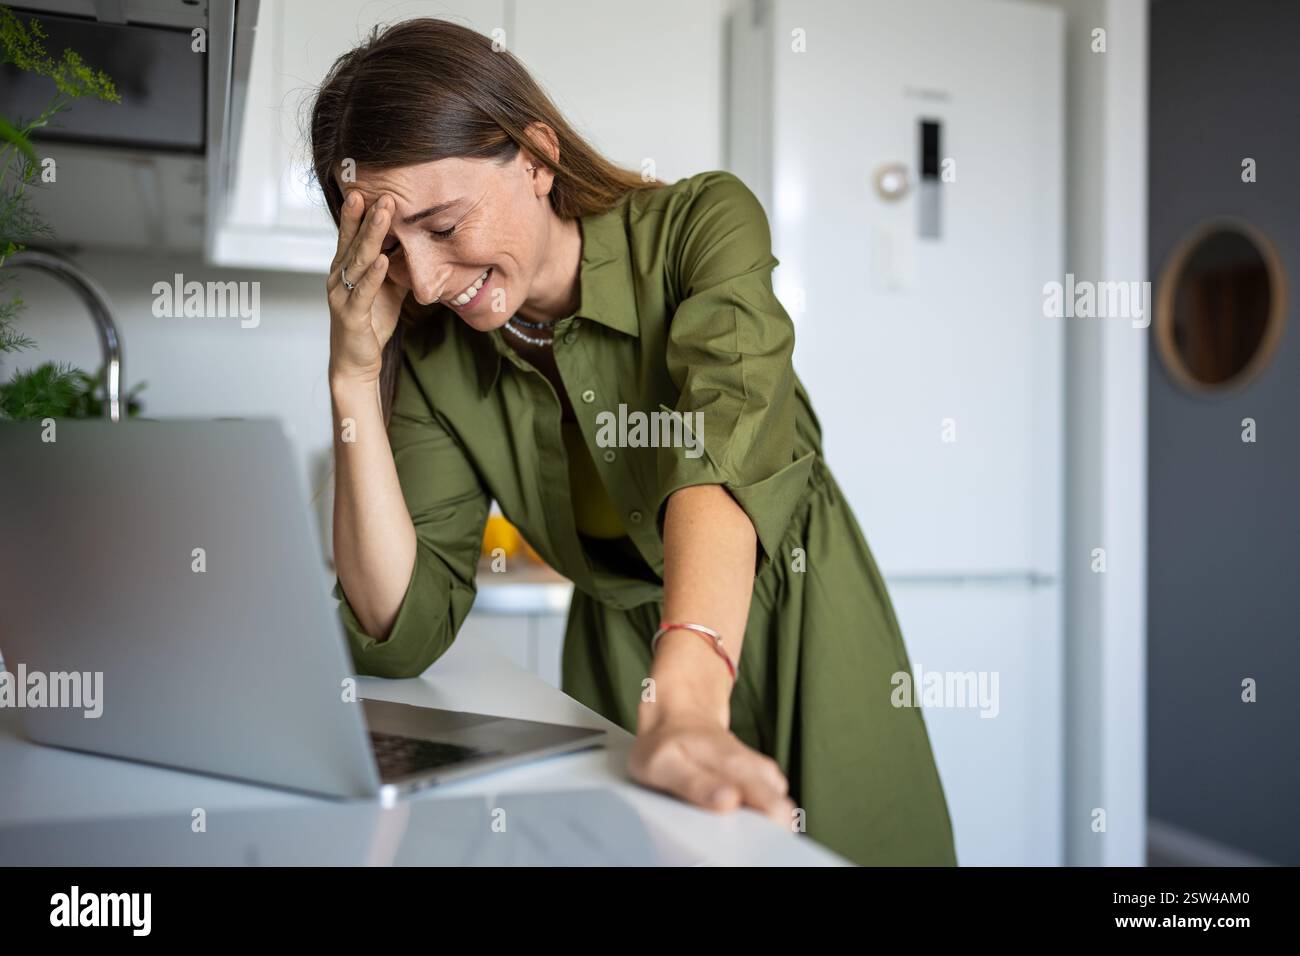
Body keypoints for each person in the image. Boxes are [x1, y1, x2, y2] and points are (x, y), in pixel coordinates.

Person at [311, 17, 957, 866]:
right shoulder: (432, 353)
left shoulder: (701, 227)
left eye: (442, 225)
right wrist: (353, 376)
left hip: (799, 619)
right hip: (622, 663)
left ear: (535, 157)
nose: (425, 282)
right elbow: (404, 625)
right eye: (390, 250)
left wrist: (687, 700)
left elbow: (715, 459)